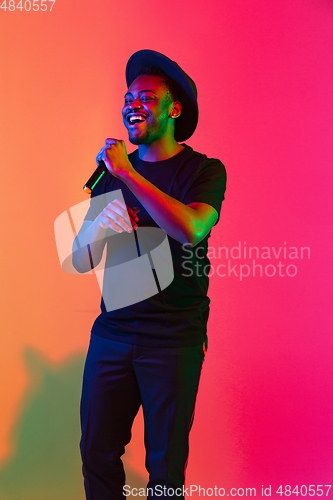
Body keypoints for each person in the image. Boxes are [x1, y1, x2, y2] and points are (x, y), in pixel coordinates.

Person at [73, 50, 227, 499]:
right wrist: (98, 223)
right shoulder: (109, 174)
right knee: (96, 455)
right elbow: (82, 259)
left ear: (173, 108)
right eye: (127, 97)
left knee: (164, 468)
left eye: (145, 96)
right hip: (113, 334)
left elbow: (192, 229)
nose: (131, 104)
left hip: (173, 339)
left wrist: (129, 173)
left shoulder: (202, 170)